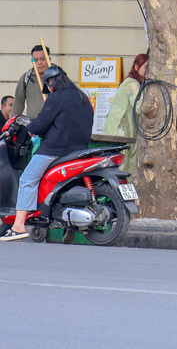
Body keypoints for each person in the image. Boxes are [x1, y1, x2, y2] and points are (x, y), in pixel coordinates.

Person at [1, 65, 94, 241]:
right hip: (80, 150)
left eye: (49, 84)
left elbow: (41, 124)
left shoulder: (56, 98)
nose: (50, 88)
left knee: (28, 178)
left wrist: (30, 127)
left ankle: (19, 225)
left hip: (55, 150)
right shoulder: (82, 97)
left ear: (51, 82)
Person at [102, 53, 148, 175]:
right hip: (119, 132)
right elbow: (139, 107)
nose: (148, 71)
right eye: (145, 67)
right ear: (136, 67)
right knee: (121, 168)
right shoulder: (132, 84)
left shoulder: (133, 83)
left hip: (120, 132)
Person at [11, 44, 52, 118]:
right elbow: (18, 103)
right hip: (34, 124)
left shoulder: (59, 76)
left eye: (43, 59)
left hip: (55, 124)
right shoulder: (26, 78)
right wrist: (12, 122)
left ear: (49, 59)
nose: (39, 63)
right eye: (36, 60)